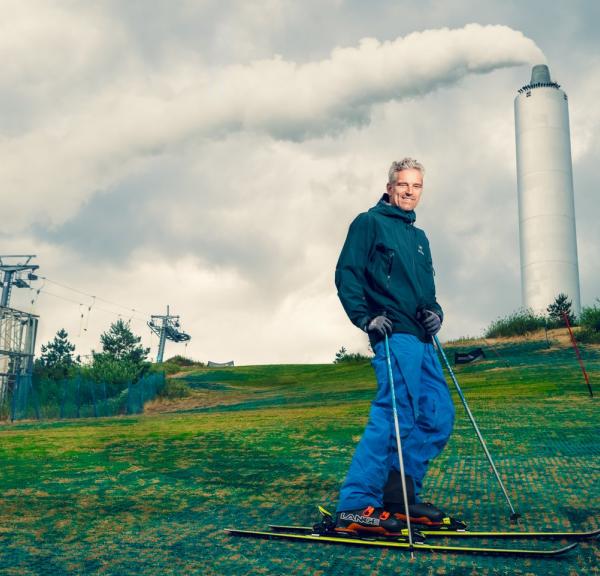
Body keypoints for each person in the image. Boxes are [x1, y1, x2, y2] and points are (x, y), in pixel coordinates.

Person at [334, 157, 455, 536]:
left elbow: (428, 292)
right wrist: (365, 318)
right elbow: (347, 274)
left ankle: (397, 496)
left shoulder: (420, 239)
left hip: (422, 337)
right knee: (395, 416)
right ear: (389, 187)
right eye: (402, 184)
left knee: (437, 416)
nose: (409, 191)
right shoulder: (368, 223)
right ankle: (355, 505)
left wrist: (435, 312)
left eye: (416, 186)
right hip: (392, 333)